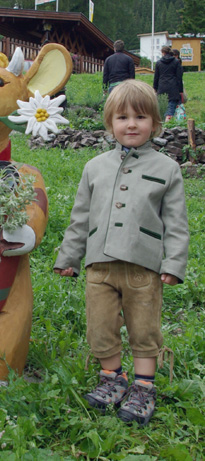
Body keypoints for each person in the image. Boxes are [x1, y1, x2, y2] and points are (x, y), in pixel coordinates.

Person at [54, 80, 189, 426]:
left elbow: (176, 223)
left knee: (144, 329)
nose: (131, 124)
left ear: (156, 124)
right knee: (100, 326)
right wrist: (69, 257)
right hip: (99, 266)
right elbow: (80, 217)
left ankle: (144, 386)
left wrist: (174, 263)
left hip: (143, 268)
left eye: (141, 117)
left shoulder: (167, 169)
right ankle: (112, 377)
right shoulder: (94, 167)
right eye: (122, 117)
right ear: (109, 122)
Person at [154, 45, 183, 121]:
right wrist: (181, 91)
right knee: (171, 108)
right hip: (173, 88)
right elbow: (179, 78)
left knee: (162, 108)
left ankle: (163, 124)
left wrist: (155, 88)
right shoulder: (176, 62)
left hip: (162, 87)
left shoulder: (158, 63)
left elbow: (156, 77)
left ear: (163, 53)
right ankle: (168, 125)